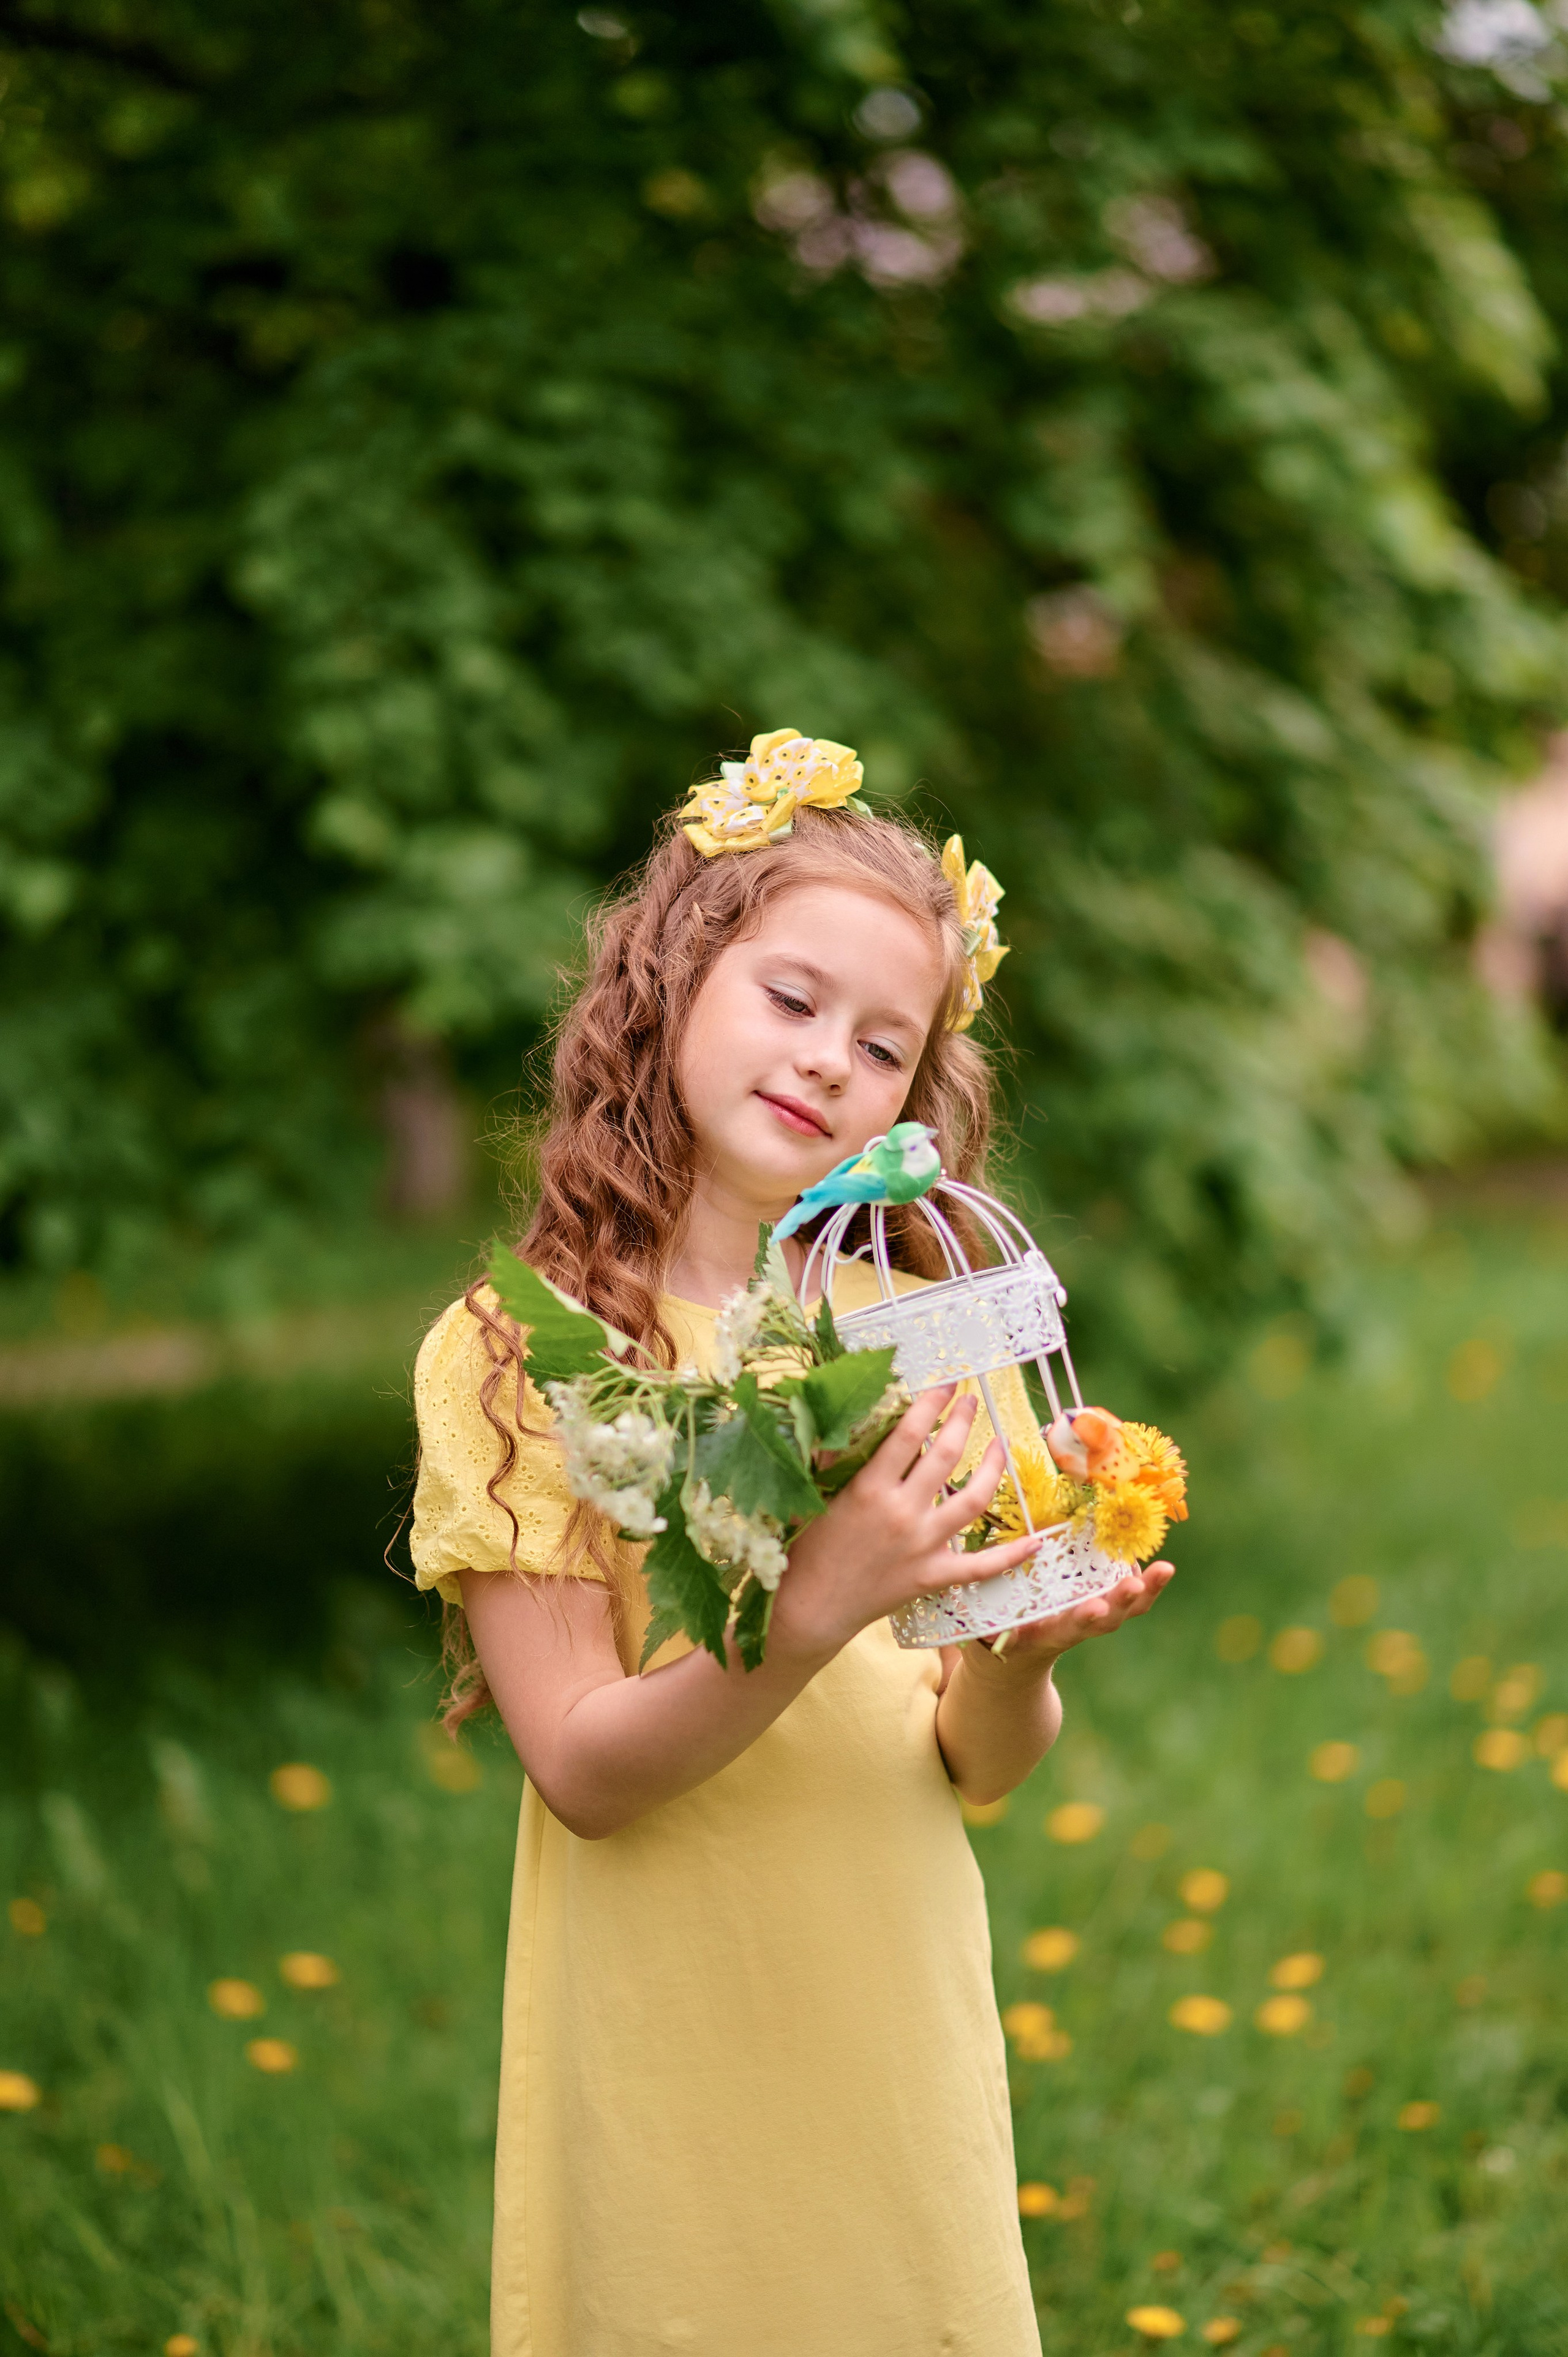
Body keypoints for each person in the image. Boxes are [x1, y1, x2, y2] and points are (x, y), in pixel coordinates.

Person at [409, 729, 1175, 2357]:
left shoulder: (924, 1327)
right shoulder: (516, 1348)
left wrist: (1021, 1658)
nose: (831, 1059)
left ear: (914, 1098)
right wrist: (816, 1602)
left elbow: (977, 1761)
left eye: (884, 1045)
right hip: (671, 2012)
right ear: (674, 986)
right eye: (793, 999)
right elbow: (586, 1773)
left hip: (887, 1981)